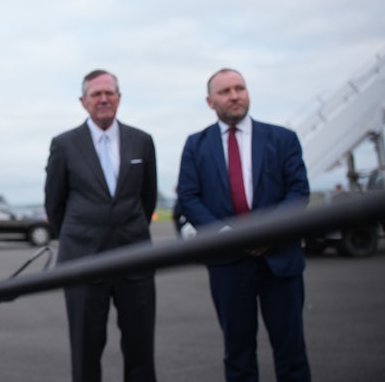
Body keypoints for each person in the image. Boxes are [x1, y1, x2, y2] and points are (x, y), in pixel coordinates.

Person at [176, 68, 310, 382]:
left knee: (291, 353)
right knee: (238, 356)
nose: (234, 96)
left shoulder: (283, 139)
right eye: (225, 92)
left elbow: (298, 191)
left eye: (240, 88)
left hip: (280, 261)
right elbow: (189, 198)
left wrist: (268, 232)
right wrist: (228, 236)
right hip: (228, 264)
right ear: (210, 102)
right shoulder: (196, 145)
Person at [44, 69, 158, 382]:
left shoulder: (142, 141)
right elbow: (54, 205)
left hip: (135, 259)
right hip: (82, 262)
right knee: (85, 350)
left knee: (140, 349)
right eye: (96, 94)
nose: (103, 99)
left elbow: (147, 198)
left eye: (109, 93)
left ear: (119, 98)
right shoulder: (64, 145)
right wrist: (82, 237)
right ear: (83, 101)